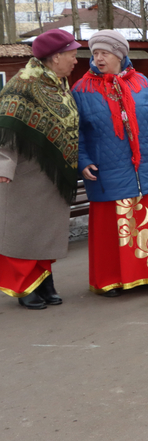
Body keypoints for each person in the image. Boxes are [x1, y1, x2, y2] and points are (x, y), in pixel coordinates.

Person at [72, 29, 148, 296]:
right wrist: (83, 160)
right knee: (113, 229)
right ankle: (112, 279)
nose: (99, 58)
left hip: (146, 167)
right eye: (95, 53)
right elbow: (75, 132)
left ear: (120, 55)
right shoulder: (82, 89)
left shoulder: (142, 83)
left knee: (147, 222)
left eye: (105, 53)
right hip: (107, 169)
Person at [0, 29, 81, 309]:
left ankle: (43, 279)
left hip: (51, 171)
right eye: (71, 54)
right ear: (55, 56)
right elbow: (6, 128)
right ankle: (23, 286)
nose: (75, 60)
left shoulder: (58, 83)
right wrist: (4, 167)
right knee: (23, 231)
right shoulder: (23, 84)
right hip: (25, 174)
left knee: (45, 231)